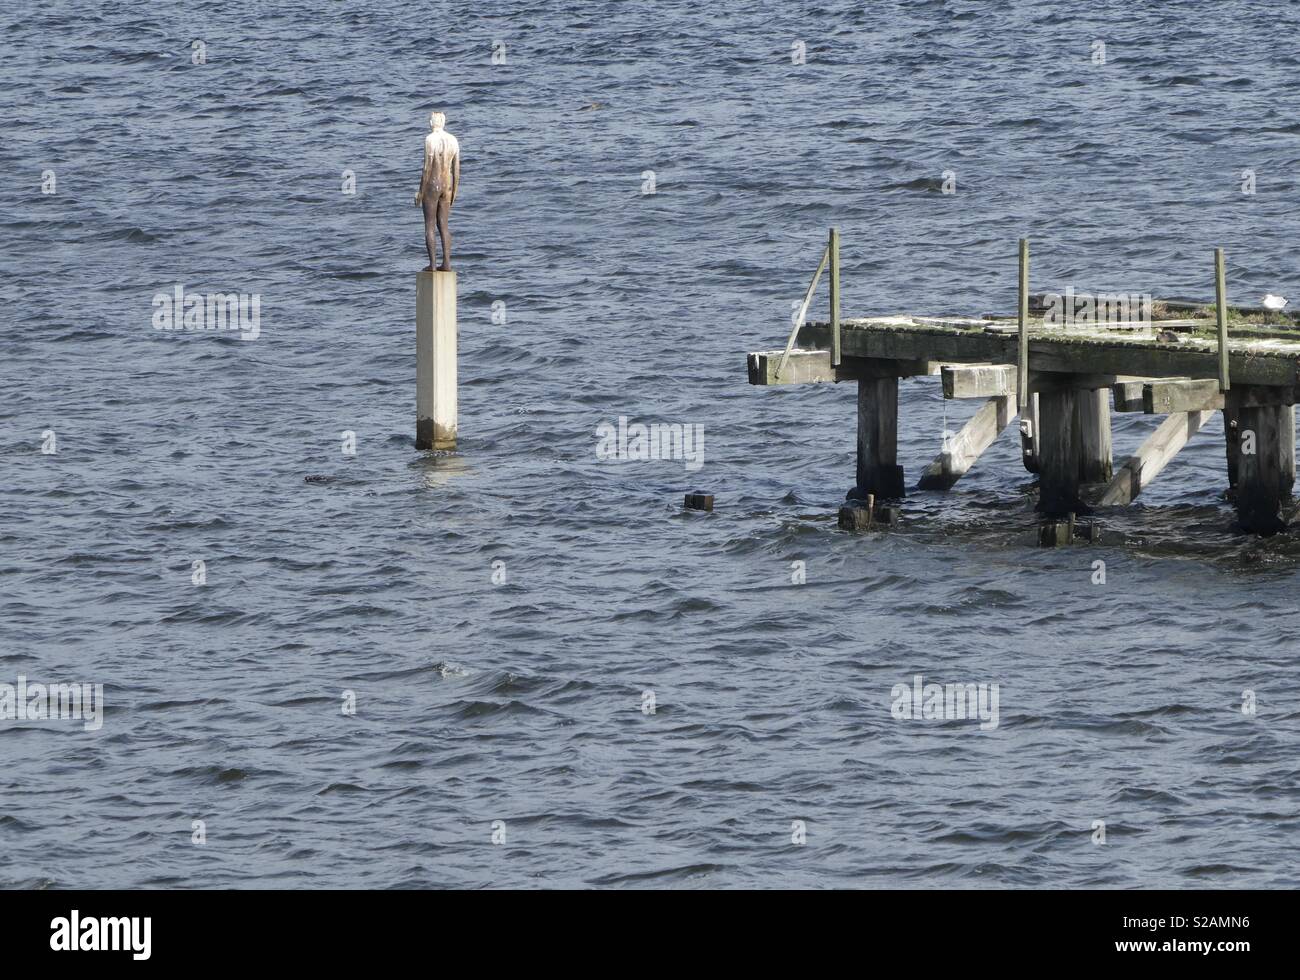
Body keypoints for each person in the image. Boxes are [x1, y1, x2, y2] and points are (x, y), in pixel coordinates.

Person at [413, 111, 460, 271]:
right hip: (448, 185)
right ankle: (447, 263)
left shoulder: (430, 139)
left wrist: (420, 192)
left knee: (430, 226)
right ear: (444, 122)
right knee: (444, 226)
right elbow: (457, 170)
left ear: (432, 123)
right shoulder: (453, 140)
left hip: (433, 184)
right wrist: (454, 192)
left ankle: (432, 264)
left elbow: (427, 169)